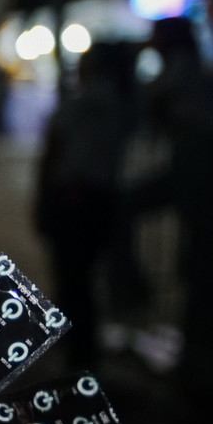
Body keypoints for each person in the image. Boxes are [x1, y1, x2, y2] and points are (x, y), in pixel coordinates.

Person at [35, 42, 133, 369]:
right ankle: (84, 350)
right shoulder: (122, 108)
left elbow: (53, 152)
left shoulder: (76, 106)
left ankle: (78, 354)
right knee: (85, 278)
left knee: (71, 278)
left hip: (71, 198)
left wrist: (42, 198)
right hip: (102, 199)